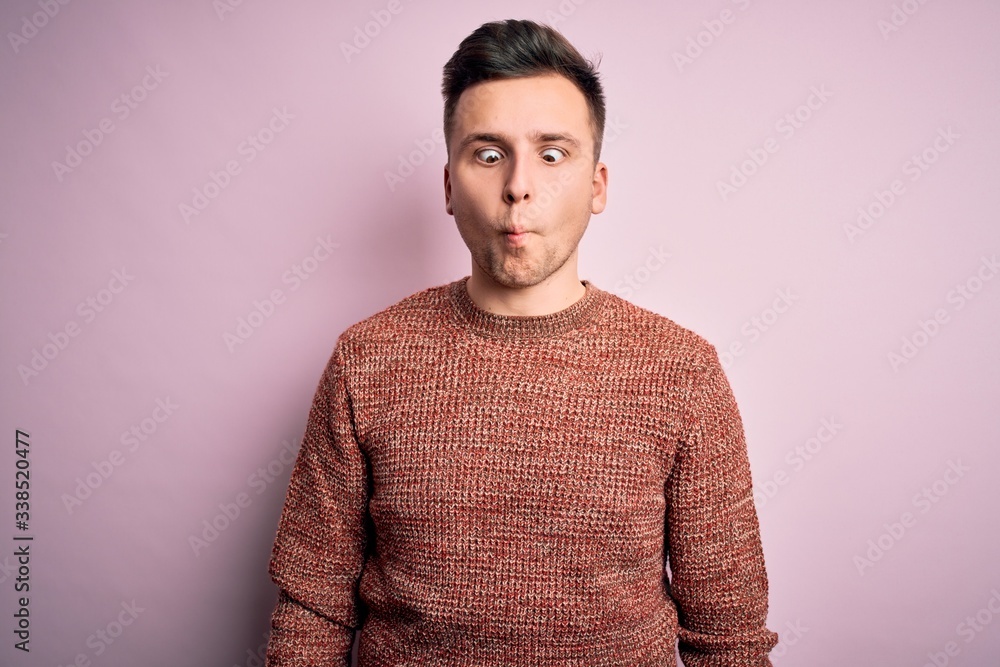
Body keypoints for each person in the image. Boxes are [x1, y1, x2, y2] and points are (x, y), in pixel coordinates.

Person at [265, 18, 779, 666]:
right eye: (488, 153)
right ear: (449, 187)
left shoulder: (683, 372)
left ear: (598, 185)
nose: (518, 186)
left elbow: (729, 637)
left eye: (552, 153)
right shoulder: (364, 362)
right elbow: (311, 613)